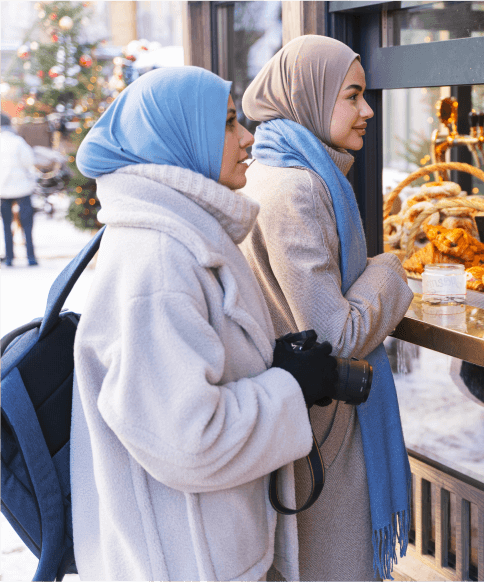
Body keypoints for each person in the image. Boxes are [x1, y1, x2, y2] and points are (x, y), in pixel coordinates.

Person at [72, 66, 343, 581]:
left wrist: (274, 362)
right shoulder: (158, 261)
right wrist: (289, 386)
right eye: (226, 123)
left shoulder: (183, 237)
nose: (247, 138)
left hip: (205, 552)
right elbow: (188, 440)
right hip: (187, 564)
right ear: (179, 138)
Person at [239, 35, 415, 581]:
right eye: (352, 96)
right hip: (322, 429)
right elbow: (338, 334)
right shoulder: (295, 189)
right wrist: (391, 268)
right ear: (310, 98)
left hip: (305, 421)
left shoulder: (278, 173)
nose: (367, 111)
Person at [0, 113, 38, 266]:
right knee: (27, 226)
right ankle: (31, 257)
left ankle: (10, 258)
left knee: (6, 226)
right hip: (22, 189)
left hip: (2, 190)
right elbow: (29, 161)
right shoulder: (18, 142)